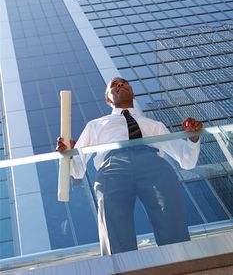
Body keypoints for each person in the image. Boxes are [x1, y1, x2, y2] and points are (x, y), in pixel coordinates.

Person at [56, 77, 202, 255]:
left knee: (170, 215)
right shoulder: (95, 125)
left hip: (153, 164)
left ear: (132, 92)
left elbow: (187, 161)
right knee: (113, 223)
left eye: (124, 83)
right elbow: (77, 171)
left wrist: (193, 138)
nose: (120, 85)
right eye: (114, 85)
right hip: (112, 167)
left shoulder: (155, 125)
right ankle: (120, 266)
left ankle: (181, 262)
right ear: (108, 99)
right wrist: (68, 154)